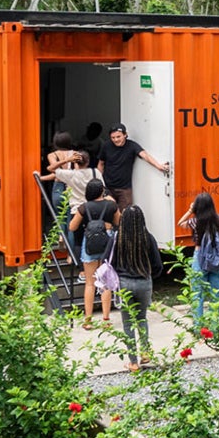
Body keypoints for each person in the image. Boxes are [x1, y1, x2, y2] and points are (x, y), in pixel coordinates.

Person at [110, 205, 162, 372]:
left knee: (127, 324)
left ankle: (133, 362)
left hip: (124, 283)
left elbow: (109, 262)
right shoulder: (148, 238)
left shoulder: (118, 238)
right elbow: (157, 265)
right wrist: (148, 276)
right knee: (142, 318)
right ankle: (145, 352)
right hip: (144, 282)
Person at [68, 178, 120, 329]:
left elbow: (72, 227)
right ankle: (106, 319)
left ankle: (88, 320)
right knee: (105, 282)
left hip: (90, 243)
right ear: (102, 191)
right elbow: (119, 221)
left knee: (90, 283)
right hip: (107, 243)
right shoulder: (111, 205)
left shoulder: (84, 207)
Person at [177, 192, 219, 326]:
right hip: (217, 258)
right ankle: (214, 327)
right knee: (215, 294)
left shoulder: (195, 221)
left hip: (199, 257)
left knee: (197, 294)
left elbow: (180, 223)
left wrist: (190, 211)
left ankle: (198, 328)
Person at [40, 150, 102, 256]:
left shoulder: (70, 175)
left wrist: (68, 160)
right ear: (88, 162)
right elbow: (102, 189)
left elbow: (50, 169)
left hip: (77, 209)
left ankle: (74, 257)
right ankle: (90, 259)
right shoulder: (95, 172)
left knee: (76, 235)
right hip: (92, 207)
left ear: (75, 162)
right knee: (92, 235)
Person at [97, 122, 170, 210]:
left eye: (118, 137)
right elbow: (101, 164)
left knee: (125, 215)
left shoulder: (131, 146)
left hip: (124, 189)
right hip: (107, 187)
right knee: (107, 214)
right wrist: (100, 183)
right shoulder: (106, 146)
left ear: (125, 135)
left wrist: (159, 166)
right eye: (113, 137)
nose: (116, 140)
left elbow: (145, 156)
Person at [45, 131, 78, 241]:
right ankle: (70, 255)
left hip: (58, 186)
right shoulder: (76, 154)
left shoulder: (52, 155)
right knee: (71, 219)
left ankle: (61, 236)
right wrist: (69, 160)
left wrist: (41, 178)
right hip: (72, 187)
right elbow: (77, 173)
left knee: (59, 215)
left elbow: (54, 169)